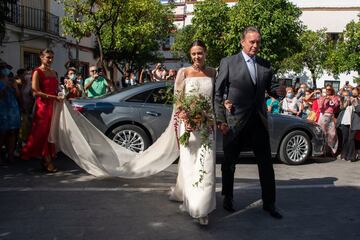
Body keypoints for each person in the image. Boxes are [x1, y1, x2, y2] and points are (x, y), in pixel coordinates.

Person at [215, 26, 282, 219]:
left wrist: (279, 91)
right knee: (229, 163)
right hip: (234, 122)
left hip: (259, 122)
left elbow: (271, 89)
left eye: (258, 42)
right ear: (242, 42)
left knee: (266, 165)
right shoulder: (228, 62)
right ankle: (228, 197)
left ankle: (269, 203)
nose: (255, 45)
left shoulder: (265, 65)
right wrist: (221, 120)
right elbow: (218, 94)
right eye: (251, 42)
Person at [168, 40, 216, 225]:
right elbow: (178, 101)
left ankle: (201, 207)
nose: (197, 57)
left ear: (205, 53)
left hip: (207, 124)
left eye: (200, 53)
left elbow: (214, 98)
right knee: (189, 163)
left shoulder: (212, 73)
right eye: (194, 53)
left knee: (206, 163)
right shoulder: (184, 73)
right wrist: (185, 118)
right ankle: (191, 202)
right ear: (190, 55)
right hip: (187, 125)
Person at [21, 49, 63, 172]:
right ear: (41, 57)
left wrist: (62, 95)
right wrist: (54, 97)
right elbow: (35, 91)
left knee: (51, 132)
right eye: (48, 57)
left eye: (52, 58)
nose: (50, 60)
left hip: (54, 105)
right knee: (42, 133)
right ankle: (48, 161)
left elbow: (57, 89)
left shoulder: (54, 72)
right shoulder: (37, 72)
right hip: (43, 107)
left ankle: (45, 159)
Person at [0, 66, 21, 165]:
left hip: (13, 109)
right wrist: (5, 87)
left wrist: (15, 87)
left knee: (12, 132)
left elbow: (18, 96)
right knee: (2, 133)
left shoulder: (13, 83)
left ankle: (11, 154)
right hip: (2, 109)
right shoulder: (1, 84)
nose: (9, 77)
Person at [336, 88, 360, 162]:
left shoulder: (358, 100)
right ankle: (344, 155)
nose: (353, 95)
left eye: (355, 93)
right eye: (352, 93)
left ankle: (351, 157)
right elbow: (341, 108)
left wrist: (355, 104)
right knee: (345, 139)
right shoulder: (348, 100)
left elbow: (359, 110)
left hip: (354, 123)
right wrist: (344, 102)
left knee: (351, 139)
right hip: (344, 121)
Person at [318, 84, 340, 155]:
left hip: (331, 116)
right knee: (323, 134)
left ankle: (332, 150)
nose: (328, 91)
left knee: (332, 134)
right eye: (327, 89)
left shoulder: (334, 97)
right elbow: (320, 107)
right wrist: (324, 99)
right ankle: (322, 151)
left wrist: (330, 99)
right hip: (324, 116)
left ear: (332, 90)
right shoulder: (322, 97)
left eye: (329, 89)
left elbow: (336, 105)